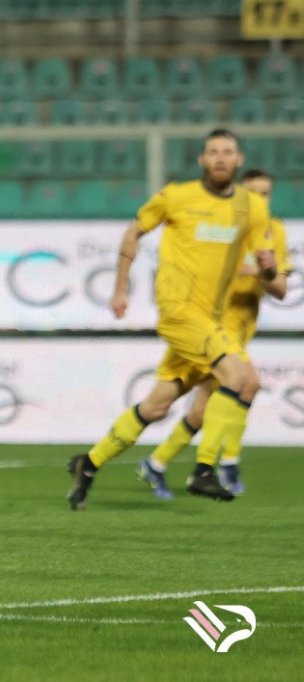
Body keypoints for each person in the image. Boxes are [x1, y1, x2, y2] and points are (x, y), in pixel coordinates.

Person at [67, 129, 276, 511]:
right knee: (240, 377)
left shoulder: (252, 208)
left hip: (209, 321)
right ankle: (203, 469)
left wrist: (269, 267)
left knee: (156, 407)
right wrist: (120, 288)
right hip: (179, 312)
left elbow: (271, 272)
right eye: (212, 152)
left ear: (238, 160)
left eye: (227, 152)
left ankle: (89, 463)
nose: (219, 158)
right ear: (201, 160)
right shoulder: (177, 197)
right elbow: (134, 232)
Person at [135, 168, 292, 499]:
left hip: (242, 328)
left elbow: (280, 288)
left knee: (203, 406)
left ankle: (158, 462)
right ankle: (219, 464)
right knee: (245, 385)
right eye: (253, 193)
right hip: (213, 325)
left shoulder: (274, 232)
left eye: (265, 194)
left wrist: (264, 272)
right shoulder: (222, 227)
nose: (259, 200)